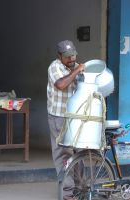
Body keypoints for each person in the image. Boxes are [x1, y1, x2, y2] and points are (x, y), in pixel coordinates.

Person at [47, 40, 85, 177]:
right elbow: (61, 84)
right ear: (59, 56)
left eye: (73, 55)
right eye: (67, 56)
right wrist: (76, 71)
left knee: (78, 153)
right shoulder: (54, 67)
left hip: (74, 116)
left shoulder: (76, 66)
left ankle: (81, 188)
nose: (71, 59)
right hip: (59, 116)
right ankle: (67, 193)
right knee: (63, 154)